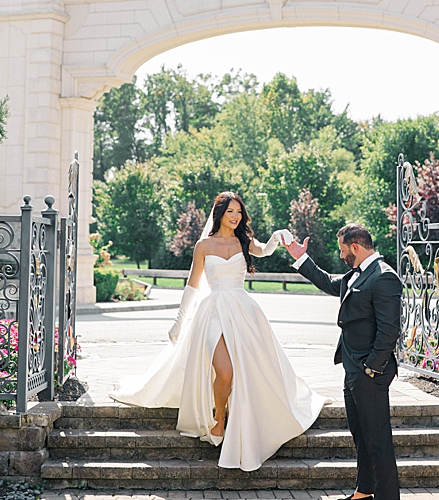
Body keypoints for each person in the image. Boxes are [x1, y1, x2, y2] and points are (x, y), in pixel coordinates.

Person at [110, 191, 327, 472]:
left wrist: (277, 236)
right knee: (224, 371)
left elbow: (266, 250)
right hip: (212, 312)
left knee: (249, 370)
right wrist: (178, 322)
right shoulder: (204, 245)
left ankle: (236, 416)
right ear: (219, 214)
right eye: (230, 212)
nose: (235, 216)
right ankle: (219, 417)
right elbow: (192, 285)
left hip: (243, 311)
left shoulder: (244, 241)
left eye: (239, 212)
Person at [283, 223, 402, 500]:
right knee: (361, 434)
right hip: (352, 367)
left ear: (356, 247)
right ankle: (365, 491)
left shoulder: (384, 277)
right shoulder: (356, 273)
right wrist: (301, 258)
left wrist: (372, 367)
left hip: (370, 372)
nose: (340, 255)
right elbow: (329, 282)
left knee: (377, 437)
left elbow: (390, 330)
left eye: (342, 250)